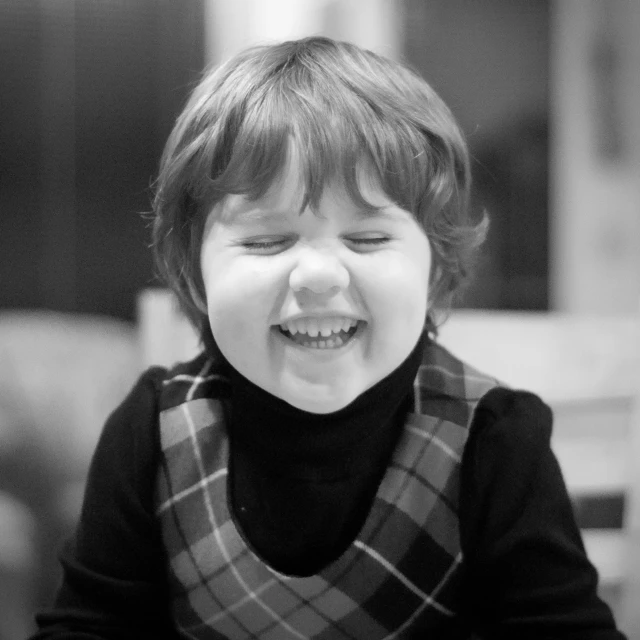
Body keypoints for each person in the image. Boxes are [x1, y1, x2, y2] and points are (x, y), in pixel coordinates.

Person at [31, 36, 626, 639]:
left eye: (367, 239)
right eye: (266, 240)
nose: (318, 276)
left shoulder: (496, 442)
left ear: (436, 268)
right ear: (194, 273)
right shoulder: (151, 435)